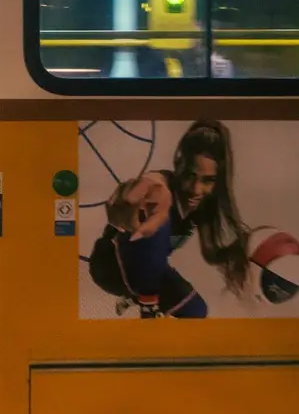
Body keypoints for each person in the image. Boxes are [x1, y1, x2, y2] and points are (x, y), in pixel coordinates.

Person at [88, 119, 250, 318]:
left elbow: (210, 253)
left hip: (148, 272)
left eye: (208, 180)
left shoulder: (204, 205)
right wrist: (139, 194)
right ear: (179, 165)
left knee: (197, 312)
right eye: (190, 175)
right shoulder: (161, 190)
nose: (196, 189)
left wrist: (243, 251)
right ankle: (147, 306)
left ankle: (135, 295)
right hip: (109, 265)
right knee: (158, 226)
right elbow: (152, 184)